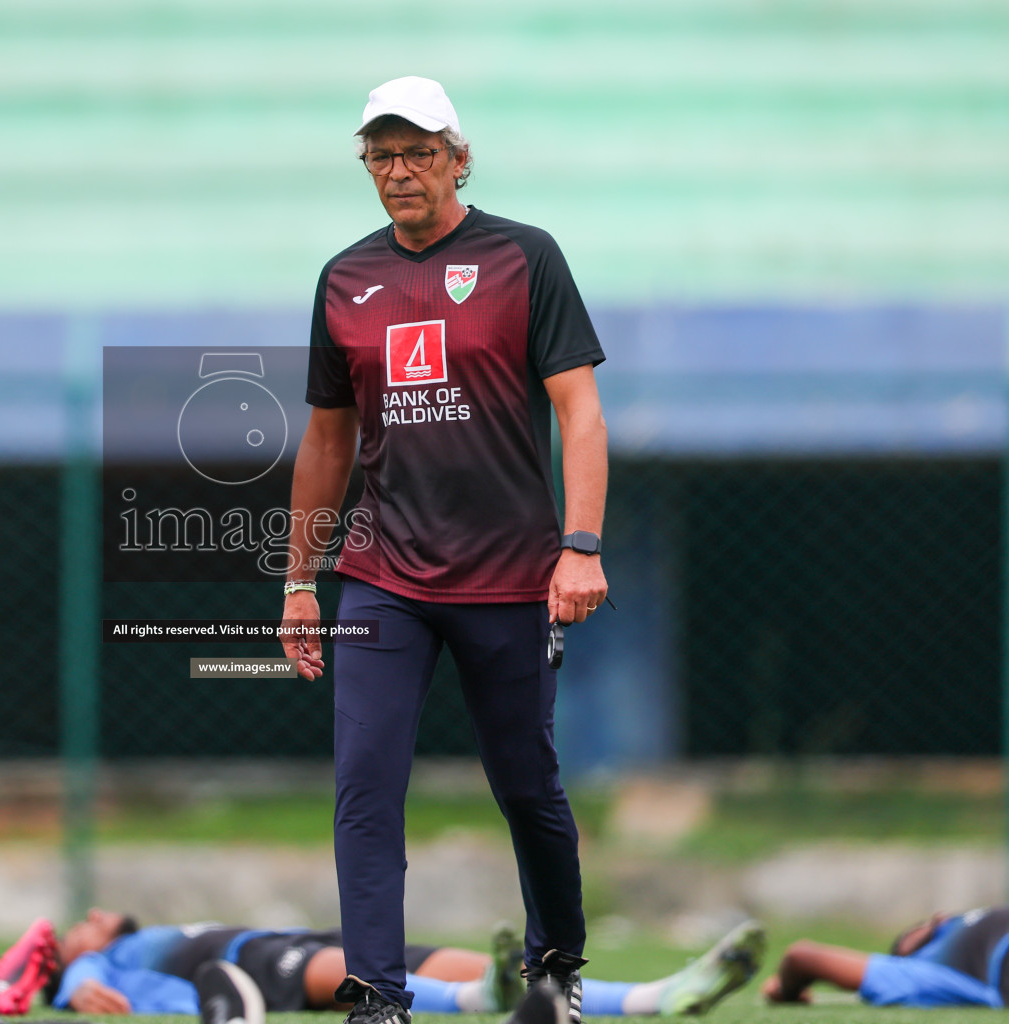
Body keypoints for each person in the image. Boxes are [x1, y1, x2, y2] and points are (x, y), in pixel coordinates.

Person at [280, 75, 608, 1024]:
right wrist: (301, 581)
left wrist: (579, 547)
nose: (399, 171)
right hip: (384, 580)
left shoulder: (524, 257)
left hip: (511, 577)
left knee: (527, 785)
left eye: (418, 152)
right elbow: (327, 441)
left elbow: (579, 413)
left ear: (459, 158)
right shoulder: (344, 279)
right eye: (381, 155)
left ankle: (556, 968)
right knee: (365, 783)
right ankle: (377, 996)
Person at [50, 908, 763, 1019]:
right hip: (259, 960)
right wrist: (77, 984)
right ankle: (471, 1002)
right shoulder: (105, 962)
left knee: (472, 960)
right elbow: (80, 984)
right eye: (78, 928)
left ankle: (656, 996)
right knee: (340, 966)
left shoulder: (143, 929)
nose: (88, 924)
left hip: (297, 933)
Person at [763, 906, 1009, 1007]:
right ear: (904, 950)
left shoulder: (961, 920)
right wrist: (785, 989)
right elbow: (802, 957)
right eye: (912, 931)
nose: (935, 917)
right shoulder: (914, 969)